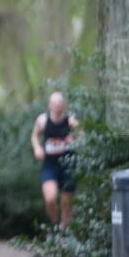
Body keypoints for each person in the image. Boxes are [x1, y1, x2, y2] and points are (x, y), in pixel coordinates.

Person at [30, 92, 80, 229]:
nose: (57, 105)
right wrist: (37, 148)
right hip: (50, 165)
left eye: (60, 103)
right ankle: (55, 225)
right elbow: (34, 136)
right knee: (50, 198)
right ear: (49, 105)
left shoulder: (71, 121)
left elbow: (83, 136)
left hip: (68, 165)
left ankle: (65, 233)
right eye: (54, 103)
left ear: (64, 105)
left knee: (66, 204)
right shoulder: (43, 120)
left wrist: (75, 139)